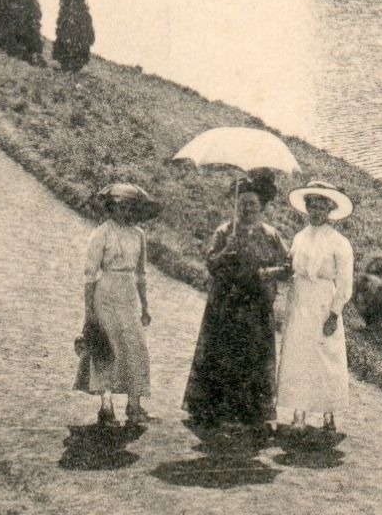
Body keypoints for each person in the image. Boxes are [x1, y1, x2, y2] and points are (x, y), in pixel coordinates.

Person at [183, 172, 290, 430]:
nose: (247, 208)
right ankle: (214, 410)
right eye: (243, 204)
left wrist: (270, 273)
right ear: (236, 206)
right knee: (222, 353)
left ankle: (249, 413)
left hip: (256, 307)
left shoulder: (271, 235)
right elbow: (210, 265)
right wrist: (225, 250)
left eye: (253, 204)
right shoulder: (224, 232)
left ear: (262, 207)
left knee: (252, 355)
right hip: (225, 304)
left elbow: (288, 265)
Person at [76, 183, 162, 428]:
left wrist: (145, 307)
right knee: (107, 348)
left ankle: (134, 406)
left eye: (129, 207)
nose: (124, 211)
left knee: (136, 347)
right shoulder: (102, 233)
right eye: (119, 206)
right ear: (112, 207)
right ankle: (106, 407)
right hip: (106, 293)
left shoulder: (138, 235)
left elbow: (142, 274)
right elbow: (90, 275)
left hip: (128, 295)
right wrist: (89, 312)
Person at [276, 181, 356, 433]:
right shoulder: (300, 237)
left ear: (330, 209)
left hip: (323, 301)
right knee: (298, 355)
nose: (316, 212)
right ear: (307, 208)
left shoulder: (339, 242)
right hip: (300, 300)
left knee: (324, 356)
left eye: (322, 207)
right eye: (312, 206)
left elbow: (344, 282)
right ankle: (298, 413)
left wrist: (334, 313)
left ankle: (326, 414)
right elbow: (290, 267)